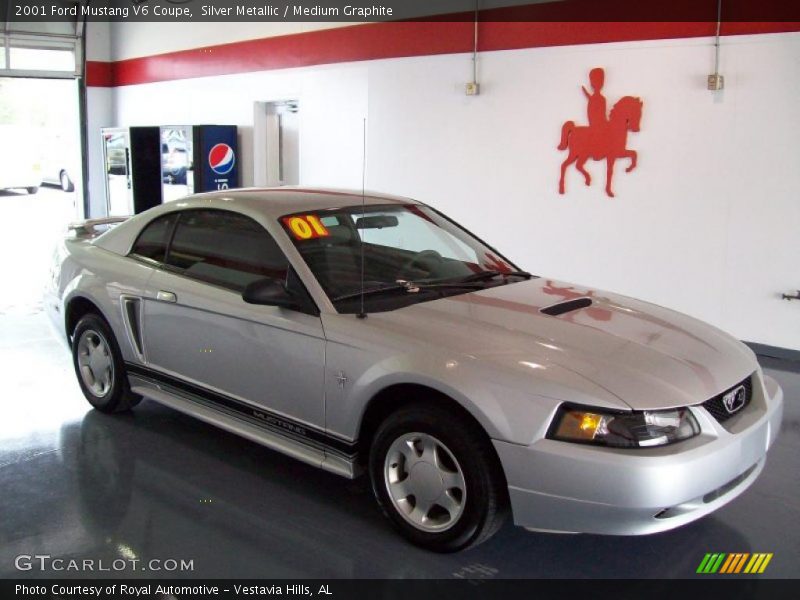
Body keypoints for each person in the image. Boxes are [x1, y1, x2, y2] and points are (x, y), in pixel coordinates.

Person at [582, 67, 608, 132]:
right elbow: (592, 114)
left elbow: (602, 115)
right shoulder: (599, 99)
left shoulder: (601, 99)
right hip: (597, 125)